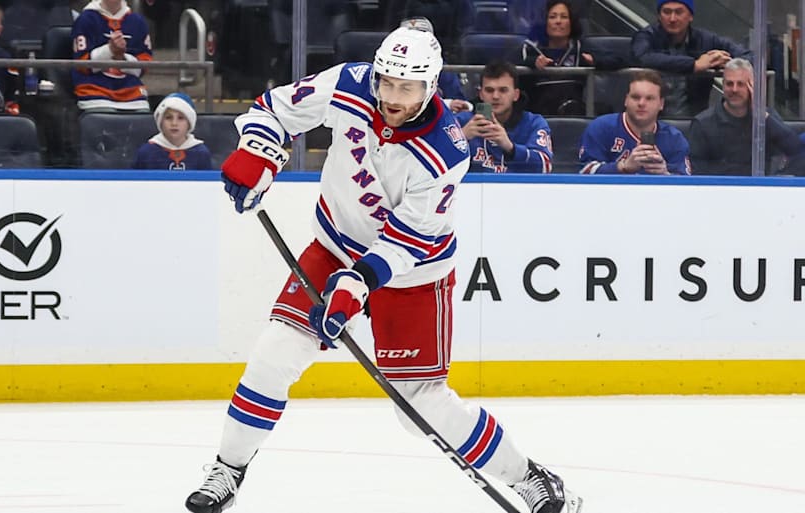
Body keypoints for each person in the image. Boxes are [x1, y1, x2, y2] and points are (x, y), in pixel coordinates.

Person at [185, 27, 582, 513]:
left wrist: (358, 284)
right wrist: (259, 153)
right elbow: (275, 109)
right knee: (274, 355)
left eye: (406, 87)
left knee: (419, 406)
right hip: (334, 247)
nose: (392, 97)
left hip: (414, 274)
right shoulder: (350, 84)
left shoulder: (446, 151)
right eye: (387, 82)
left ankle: (528, 476)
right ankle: (227, 470)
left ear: (430, 86)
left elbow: (410, 237)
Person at [631, 0, 753, 117]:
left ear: (690, 16)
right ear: (659, 16)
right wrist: (694, 65)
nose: (672, 19)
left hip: (696, 120)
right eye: (667, 12)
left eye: (679, 12)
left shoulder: (706, 40)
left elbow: (750, 57)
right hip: (652, 121)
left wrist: (729, 64)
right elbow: (643, 57)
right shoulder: (647, 36)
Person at [688, 58, 802, 176]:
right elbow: (698, 173)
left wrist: (761, 114)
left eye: (741, 84)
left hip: (762, 186)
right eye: (729, 84)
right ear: (723, 85)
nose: (734, 89)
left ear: (752, 87)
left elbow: (795, 148)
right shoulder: (703, 123)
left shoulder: (767, 118)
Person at [579, 69, 691, 175]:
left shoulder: (674, 138)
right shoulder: (601, 128)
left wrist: (665, 175)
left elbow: (687, 182)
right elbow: (584, 172)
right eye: (636, 97)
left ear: (661, 104)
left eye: (649, 98)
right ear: (626, 100)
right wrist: (623, 167)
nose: (641, 103)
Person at [454, 61, 553, 173]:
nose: (495, 96)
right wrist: (461, 139)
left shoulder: (534, 123)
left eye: (503, 90)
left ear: (516, 95)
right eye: (489, 90)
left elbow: (545, 167)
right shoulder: (460, 121)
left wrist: (511, 148)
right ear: (481, 94)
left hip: (516, 184)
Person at [71, 0, 152, 112]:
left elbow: (144, 66)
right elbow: (81, 64)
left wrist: (122, 58)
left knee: (143, 114)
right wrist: (109, 50)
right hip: (94, 90)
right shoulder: (85, 19)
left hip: (132, 93)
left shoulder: (138, 22)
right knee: (102, 115)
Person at [519, 0, 593, 115]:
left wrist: (595, 61)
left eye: (564, 17)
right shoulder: (529, 50)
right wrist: (531, 63)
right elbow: (507, 67)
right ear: (545, 22)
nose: (558, 21)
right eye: (552, 17)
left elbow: (618, 60)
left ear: (571, 22)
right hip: (538, 115)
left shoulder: (581, 48)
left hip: (574, 114)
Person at [133, 92, 212, 170]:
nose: (174, 123)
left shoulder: (201, 153)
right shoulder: (147, 152)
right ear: (160, 122)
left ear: (189, 123)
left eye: (180, 118)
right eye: (168, 118)